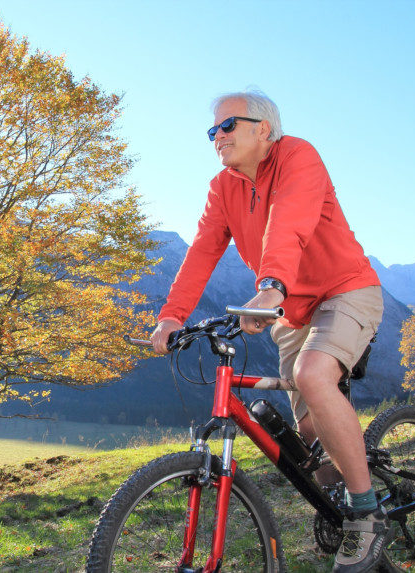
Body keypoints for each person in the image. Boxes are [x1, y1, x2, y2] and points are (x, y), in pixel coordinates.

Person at [151, 90, 388, 573]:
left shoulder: (299, 156)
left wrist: (271, 287)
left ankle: (367, 514)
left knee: (313, 375)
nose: (217, 136)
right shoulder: (223, 188)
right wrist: (173, 315)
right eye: (212, 130)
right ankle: (342, 497)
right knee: (307, 437)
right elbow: (201, 252)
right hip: (293, 313)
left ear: (264, 128)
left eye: (227, 126)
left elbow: (289, 223)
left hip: (345, 291)